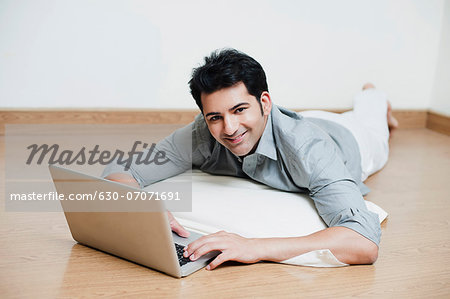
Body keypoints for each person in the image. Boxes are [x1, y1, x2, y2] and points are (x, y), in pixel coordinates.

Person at [103, 48, 398, 270]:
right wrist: (142, 206)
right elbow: (120, 170)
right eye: (215, 116)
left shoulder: (311, 149)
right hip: (298, 121)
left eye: (240, 109)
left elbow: (364, 244)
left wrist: (254, 246)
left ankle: (374, 97)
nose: (229, 129)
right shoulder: (201, 133)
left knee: (371, 121)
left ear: (264, 102)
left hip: (351, 139)